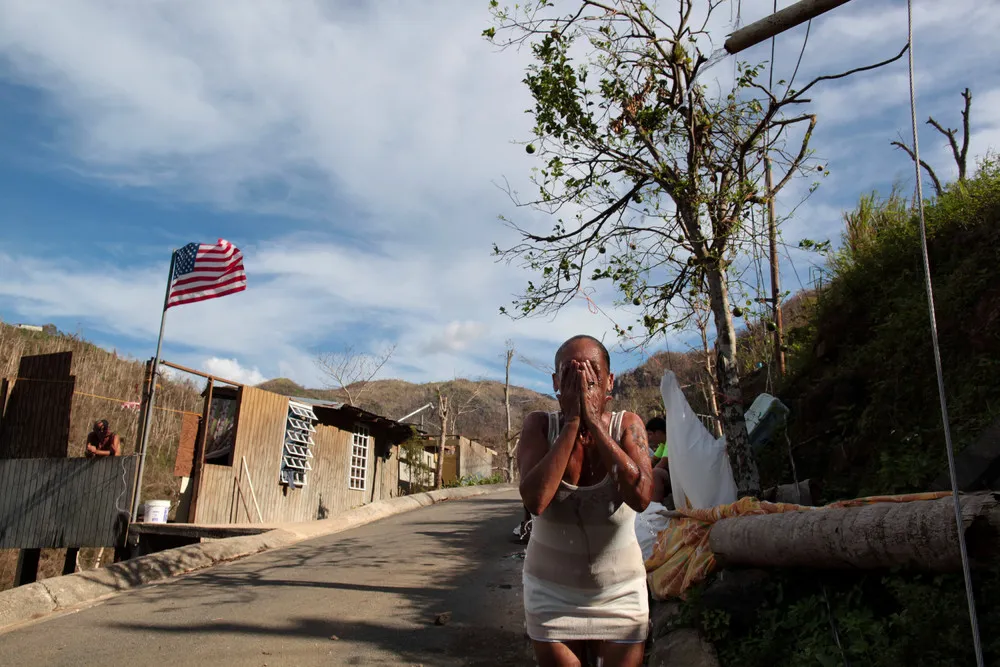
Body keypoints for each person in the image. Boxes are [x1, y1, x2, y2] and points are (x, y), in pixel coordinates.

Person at [519, 335, 653, 667]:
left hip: (621, 593)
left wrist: (594, 422)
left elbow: (640, 496)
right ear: (555, 383)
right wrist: (573, 423)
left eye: (592, 370)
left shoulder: (628, 426)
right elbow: (535, 500)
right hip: (550, 594)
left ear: (609, 381)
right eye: (570, 371)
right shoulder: (539, 425)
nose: (583, 380)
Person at [646, 417, 672, 505]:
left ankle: (655, 506)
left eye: (650, 434)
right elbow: (652, 460)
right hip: (672, 477)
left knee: (656, 472)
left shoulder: (671, 442)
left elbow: (662, 464)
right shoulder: (662, 444)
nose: (648, 438)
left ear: (658, 433)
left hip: (678, 479)